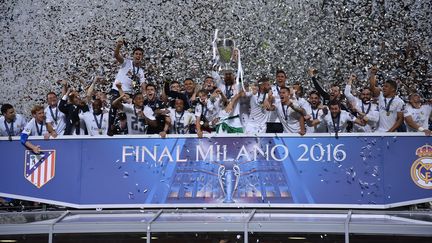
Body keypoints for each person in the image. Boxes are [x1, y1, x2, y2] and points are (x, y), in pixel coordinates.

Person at [108, 39, 146, 135]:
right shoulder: (126, 62)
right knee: (113, 106)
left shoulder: (140, 71)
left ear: (142, 57)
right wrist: (118, 46)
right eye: (136, 54)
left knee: (128, 111)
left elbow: (143, 84)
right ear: (133, 55)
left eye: (140, 54)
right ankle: (110, 128)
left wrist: (144, 93)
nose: (138, 56)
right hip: (117, 89)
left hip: (128, 93)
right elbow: (116, 55)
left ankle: (125, 131)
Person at [369, 66, 405, 132]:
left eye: (386, 87)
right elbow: (372, 87)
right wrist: (373, 74)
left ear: (393, 89)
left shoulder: (399, 102)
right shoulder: (381, 96)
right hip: (378, 131)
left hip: (391, 132)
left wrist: (390, 131)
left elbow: (400, 119)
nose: (383, 88)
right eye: (383, 86)